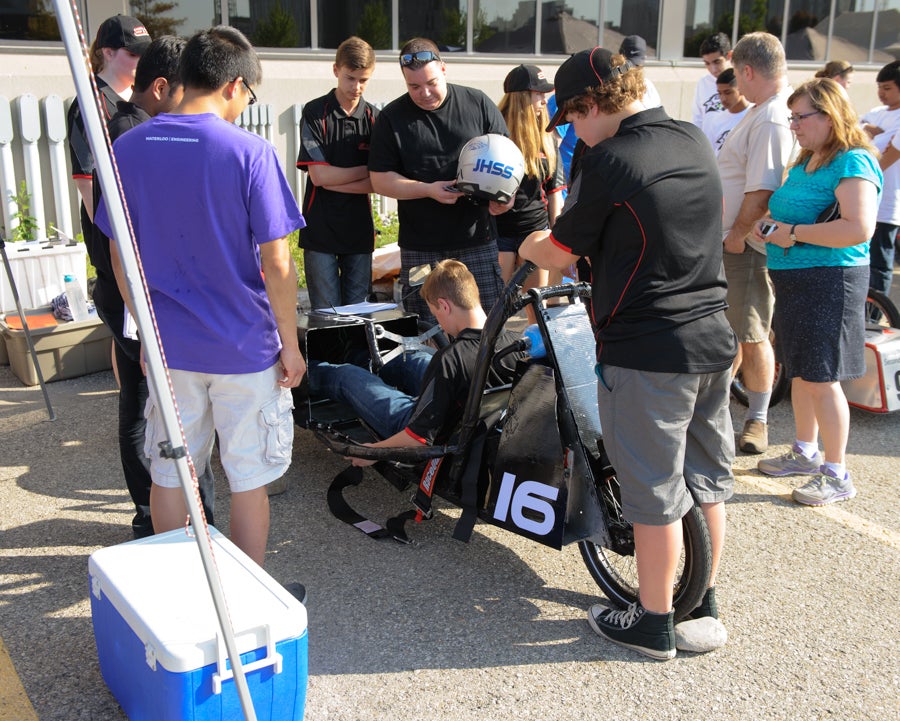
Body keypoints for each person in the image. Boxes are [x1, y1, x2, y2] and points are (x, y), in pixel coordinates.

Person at [521, 47, 736, 661]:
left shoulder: (613, 159)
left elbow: (560, 251)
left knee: (651, 491)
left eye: (572, 119)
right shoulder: (693, 137)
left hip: (648, 350)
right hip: (712, 339)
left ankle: (653, 621)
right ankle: (702, 600)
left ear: (590, 105)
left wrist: (532, 240)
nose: (573, 133)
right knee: (705, 481)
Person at [95, 26, 306, 566]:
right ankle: (246, 600)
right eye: (249, 96)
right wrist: (291, 343)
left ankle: (178, 588)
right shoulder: (250, 152)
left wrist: (145, 332)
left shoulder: (128, 148)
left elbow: (121, 256)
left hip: (171, 349)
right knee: (247, 479)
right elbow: (277, 261)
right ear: (235, 85)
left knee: (170, 472)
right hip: (243, 348)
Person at [88, 36, 216, 538]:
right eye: (188, 91)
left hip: (130, 297)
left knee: (143, 405)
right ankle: (174, 521)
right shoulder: (138, 138)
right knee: (166, 415)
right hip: (140, 301)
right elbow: (121, 241)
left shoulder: (127, 132)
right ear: (162, 88)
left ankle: (158, 517)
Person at [754, 78, 881, 506]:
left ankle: (837, 471)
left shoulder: (854, 161)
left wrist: (790, 232)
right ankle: (805, 452)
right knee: (804, 374)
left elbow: (858, 228)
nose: (793, 125)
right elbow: (786, 211)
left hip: (830, 281)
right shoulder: (810, 159)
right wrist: (769, 225)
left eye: (801, 117)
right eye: (791, 117)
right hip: (797, 280)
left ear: (829, 115)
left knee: (823, 379)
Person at [309, 260, 526, 463]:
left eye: (435, 314)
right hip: (469, 417)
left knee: (346, 375)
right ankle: (360, 356)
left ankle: (306, 372)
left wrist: (371, 452)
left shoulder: (451, 359)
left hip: (426, 429)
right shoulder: (516, 343)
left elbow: (417, 439)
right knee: (414, 358)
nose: (438, 322)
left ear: (444, 305)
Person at [368, 38, 508, 324]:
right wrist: (426, 190)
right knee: (424, 329)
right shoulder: (392, 118)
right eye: (414, 87)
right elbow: (380, 180)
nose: (425, 93)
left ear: (444, 69)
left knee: (487, 324)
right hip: (421, 245)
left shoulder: (477, 103)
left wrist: (506, 195)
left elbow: (507, 158)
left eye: (431, 82)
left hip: (476, 239)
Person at [717, 32, 794, 455]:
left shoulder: (769, 118)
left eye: (737, 76)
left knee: (749, 334)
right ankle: (726, 413)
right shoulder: (764, 112)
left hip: (746, 246)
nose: (736, 86)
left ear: (747, 70)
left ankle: (757, 420)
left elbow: (761, 190)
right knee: (734, 333)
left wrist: (735, 235)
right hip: (742, 242)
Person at [296, 36, 378, 310]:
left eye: (363, 80)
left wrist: (336, 179)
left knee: (359, 316)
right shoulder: (314, 112)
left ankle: (357, 357)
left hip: (359, 232)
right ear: (336, 71)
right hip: (320, 231)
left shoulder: (376, 119)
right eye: (350, 78)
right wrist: (365, 171)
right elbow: (320, 178)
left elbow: (378, 182)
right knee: (327, 317)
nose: (356, 87)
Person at [67, 15, 150, 240]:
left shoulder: (145, 95)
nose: (141, 60)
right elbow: (85, 180)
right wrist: (115, 236)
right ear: (108, 52)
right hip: (113, 227)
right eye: (133, 54)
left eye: (145, 53)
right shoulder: (88, 104)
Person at [493, 64, 565, 292]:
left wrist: (556, 236)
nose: (545, 101)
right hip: (499, 233)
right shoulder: (495, 134)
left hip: (535, 231)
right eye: (539, 94)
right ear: (522, 97)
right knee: (496, 310)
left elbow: (555, 193)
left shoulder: (547, 137)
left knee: (536, 307)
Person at [859, 61, 900, 299]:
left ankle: (877, 317)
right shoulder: (875, 114)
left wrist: (873, 133)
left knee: (880, 264)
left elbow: (887, 159)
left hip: (886, 204)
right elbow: (854, 132)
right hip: (865, 202)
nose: (881, 93)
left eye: (887, 88)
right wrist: (872, 131)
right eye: (879, 87)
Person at [702, 68, 752, 156]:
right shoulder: (715, 121)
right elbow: (708, 154)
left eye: (728, 92)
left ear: (740, 89)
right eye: (720, 93)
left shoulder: (754, 116)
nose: (723, 98)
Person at [692, 32, 732, 128]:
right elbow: (697, 118)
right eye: (707, 63)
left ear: (729, 56)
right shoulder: (702, 83)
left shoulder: (742, 81)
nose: (713, 69)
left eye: (717, 62)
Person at [619, 35, 662, 108]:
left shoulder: (648, 86)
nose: (633, 70)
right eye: (628, 65)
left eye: (637, 65)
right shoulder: (613, 87)